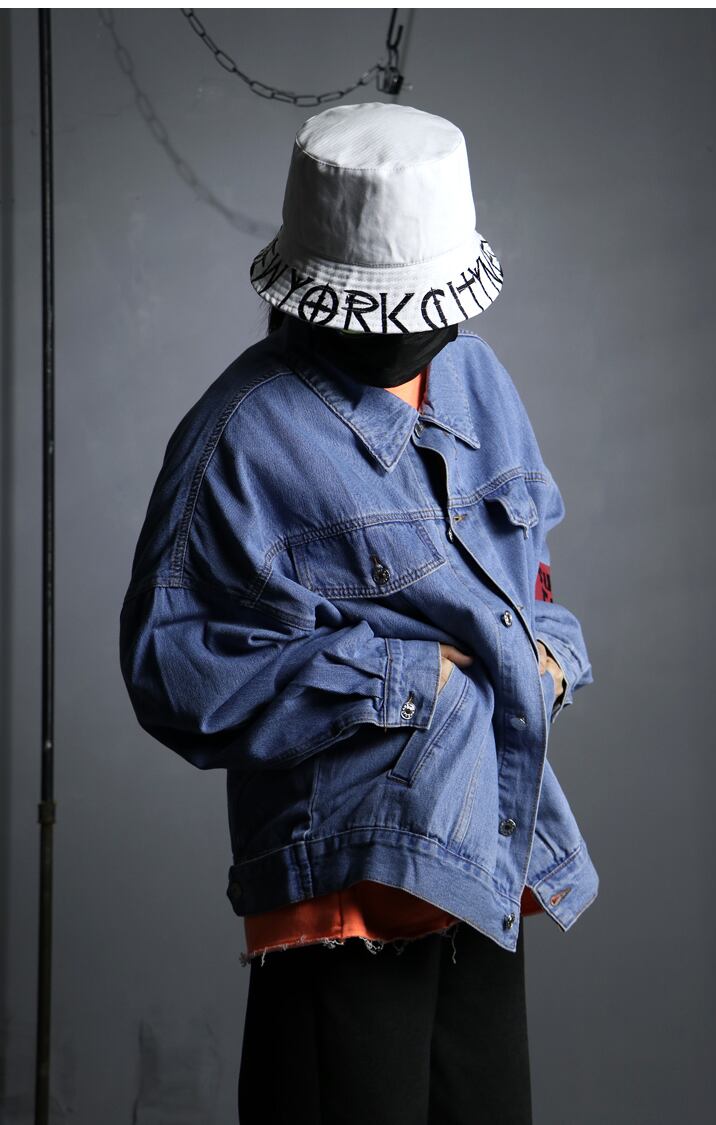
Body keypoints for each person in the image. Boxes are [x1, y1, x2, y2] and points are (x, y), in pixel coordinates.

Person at [119, 101, 597, 1124]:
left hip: (486, 865)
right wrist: (402, 680)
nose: (410, 336)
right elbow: (171, 669)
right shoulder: (238, 435)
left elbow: (531, 570)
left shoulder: (481, 382)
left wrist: (550, 652)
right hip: (342, 895)